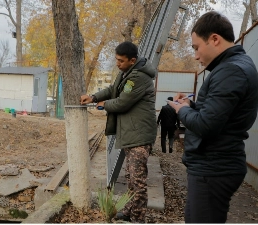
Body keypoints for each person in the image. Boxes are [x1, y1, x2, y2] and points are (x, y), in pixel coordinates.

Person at [168, 11, 258, 223]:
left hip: (214, 168)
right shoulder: (234, 66)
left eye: (197, 47)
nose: (196, 55)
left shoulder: (231, 71)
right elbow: (219, 114)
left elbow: (206, 124)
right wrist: (191, 105)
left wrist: (181, 110)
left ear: (215, 39)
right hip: (214, 165)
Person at [80, 41, 157, 223]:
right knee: (130, 178)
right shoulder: (126, 73)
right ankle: (130, 211)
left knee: (138, 181)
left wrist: (104, 104)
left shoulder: (137, 78)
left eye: (121, 61)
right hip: (132, 133)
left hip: (139, 135)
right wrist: (94, 96)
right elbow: (112, 90)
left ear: (132, 60)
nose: (117, 64)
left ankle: (138, 218)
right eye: (116, 60)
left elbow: (122, 102)